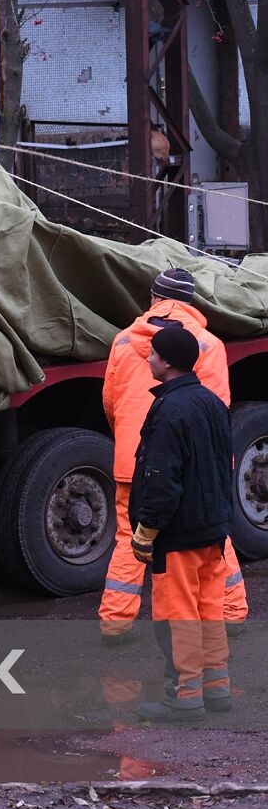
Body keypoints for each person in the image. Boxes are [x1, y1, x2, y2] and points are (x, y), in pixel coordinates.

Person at [100, 267, 248, 642]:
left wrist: (130, 439)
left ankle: (115, 623)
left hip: (134, 457)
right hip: (195, 465)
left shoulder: (122, 342)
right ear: (188, 302)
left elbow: (112, 403)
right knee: (212, 535)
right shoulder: (208, 345)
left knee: (128, 536)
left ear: (153, 298)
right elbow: (216, 407)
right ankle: (231, 612)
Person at [129, 326, 234, 722]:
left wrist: (148, 528)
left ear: (168, 362)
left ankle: (184, 695)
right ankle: (215, 687)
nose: (148, 358)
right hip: (211, 527)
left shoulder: (169, 409)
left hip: (179, 533)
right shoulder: (211, 402)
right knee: (209, 608)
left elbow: (161, 476)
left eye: (153, 354)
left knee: (178, 615)